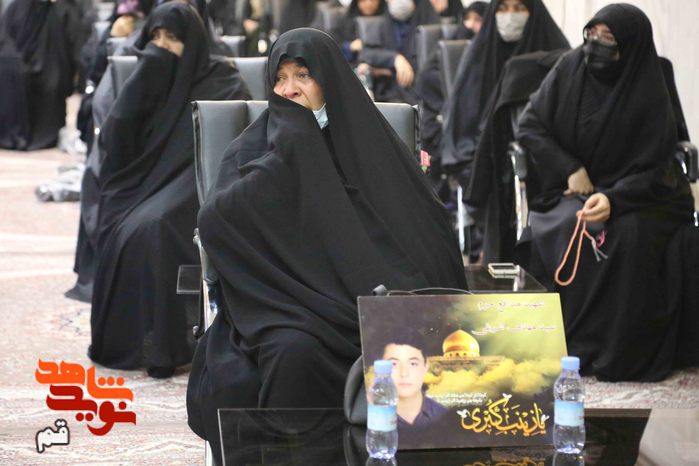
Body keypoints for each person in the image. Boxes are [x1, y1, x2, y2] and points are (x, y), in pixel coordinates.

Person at [186, 28, 466, 463]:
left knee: (410, 346)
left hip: (371, 299)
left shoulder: (369, 144)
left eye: (303, 76)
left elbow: (422, 232)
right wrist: (288, 157)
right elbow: (217, 219)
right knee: (293, 354)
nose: (289, 89)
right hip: (287, 302)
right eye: (280, 79)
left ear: (329, 81)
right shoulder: (252, 149)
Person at [516, 4, 698, 381]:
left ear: (630, 45)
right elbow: (530, 125)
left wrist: (615, 199)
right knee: (572, 228)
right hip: (575, 189)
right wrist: (570, 168)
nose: (596, 44)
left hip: (642, 194)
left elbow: (658, 167)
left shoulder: (649, 83)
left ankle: (623, 351)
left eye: (608, 38)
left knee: (628, 236)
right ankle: (574, 343)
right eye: (591, 34)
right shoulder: (570, 68)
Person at [87, 2, 251, 377]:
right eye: (155, 36)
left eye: (172, 38)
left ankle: (165, 345)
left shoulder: (222, 79)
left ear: (191, 42)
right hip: (144, 180)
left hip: (197, 181)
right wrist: (144, 80)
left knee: (156, 228)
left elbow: (228, 146)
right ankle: (132, 338)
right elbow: (116, 140)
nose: (161, 46)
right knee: (119, 222)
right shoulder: (148, 75)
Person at [439, 0, 568, 259]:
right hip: (484, 161)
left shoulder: (555, 55)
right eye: (503, 8)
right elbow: (461, 126)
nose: (510, 16)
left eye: (519, 8)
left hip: (545, 161)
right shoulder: (479, 57)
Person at [0, 0, 87, 150]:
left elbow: (66, 49)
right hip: (15, 62)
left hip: (49, 63)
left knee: (51, 81)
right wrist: (15, 61)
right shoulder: (17, 8)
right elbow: (5, 38)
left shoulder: (57, 12)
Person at [358, 0, 439, 104]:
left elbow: (431, 62)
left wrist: (386, 70)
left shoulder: (428, 22)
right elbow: (367, 53)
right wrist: (395, 58)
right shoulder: (383, 24)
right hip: (391, 91)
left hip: (422, 92)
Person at [381, 329, 447, 429]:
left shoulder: (443, 417)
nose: (404, 373)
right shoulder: (370, 417)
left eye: (413, 364)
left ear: (426, 366)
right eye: (394, 364)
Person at [330, 0, 386, 64]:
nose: (369, 3)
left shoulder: (388, 21)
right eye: (363, 0)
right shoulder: (344, 21)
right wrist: (349, 46)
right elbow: (333, 45)